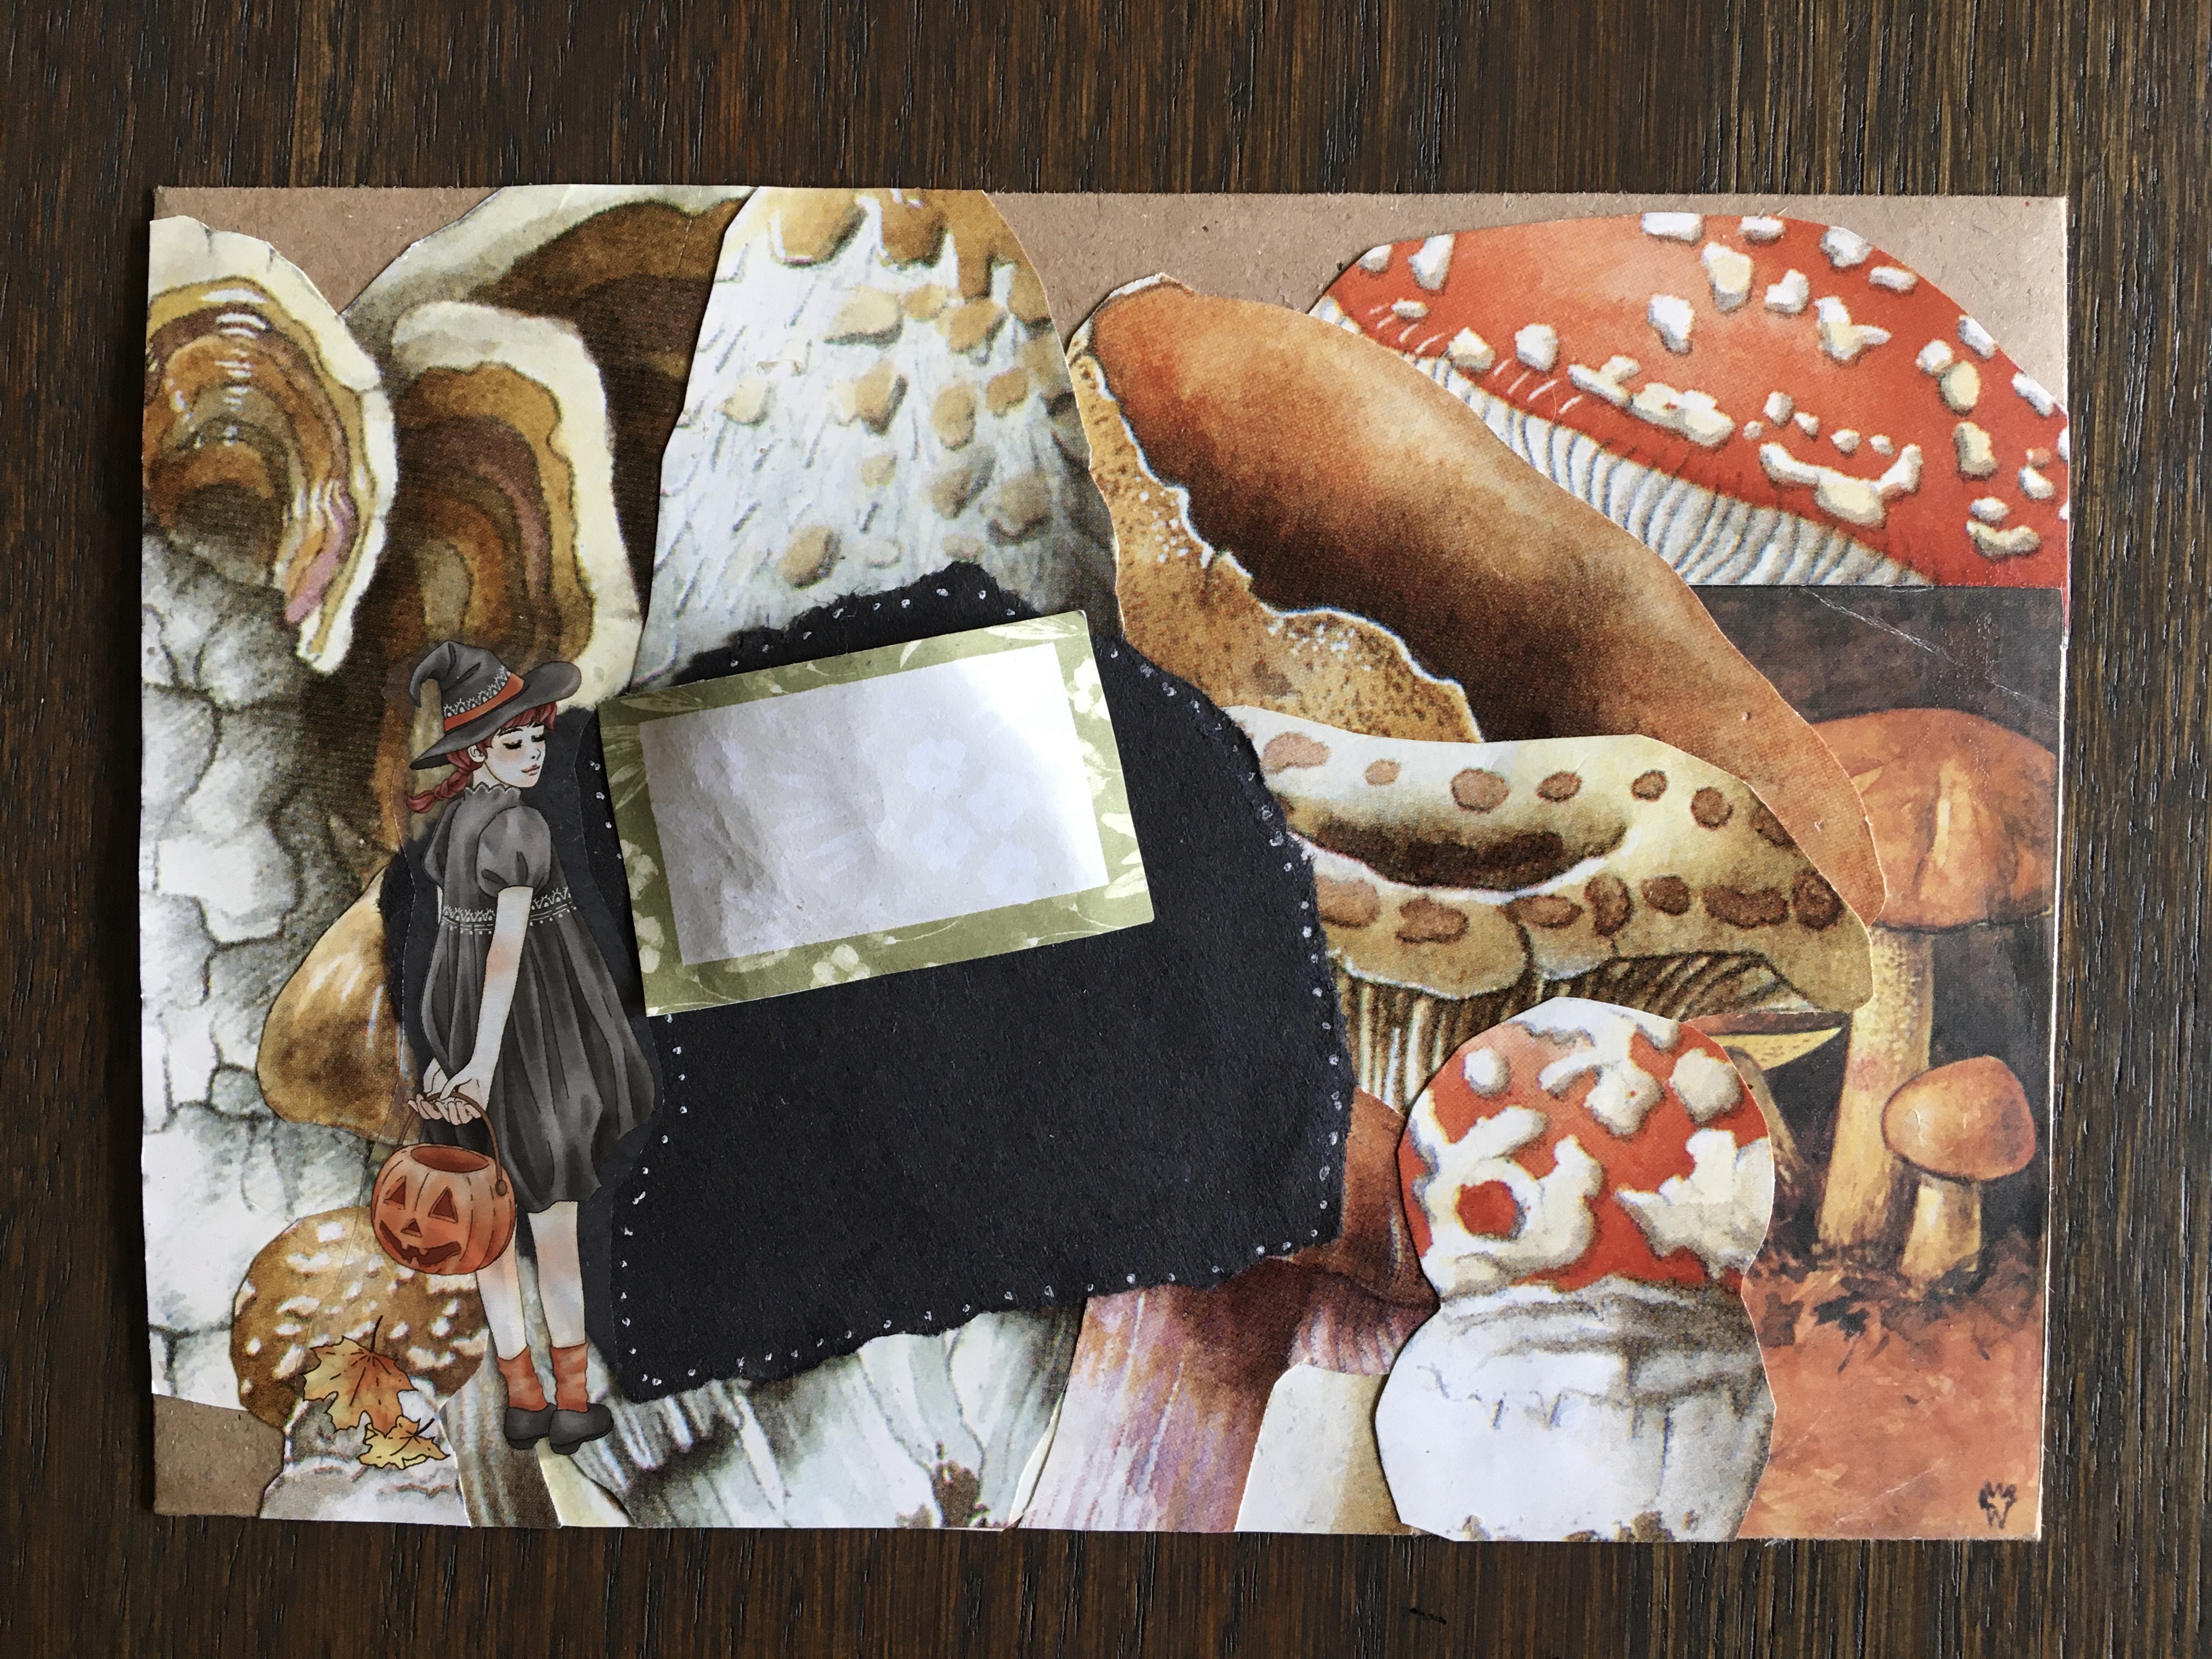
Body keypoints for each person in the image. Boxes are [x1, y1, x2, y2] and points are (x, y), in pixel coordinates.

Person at [402, 641, 653, 1455]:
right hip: (528, 1040)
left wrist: (442, 1049)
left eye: (537, 735)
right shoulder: (516, 824)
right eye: (514, 741)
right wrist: (475, 1063)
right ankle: (569, 1399)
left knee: (488, 1226)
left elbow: (446, 954)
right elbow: (503, 951)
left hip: (466, 1033)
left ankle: (524, 1398)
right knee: (550, 1224)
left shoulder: (455, 825)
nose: (533, 752)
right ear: (475, 752)